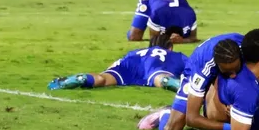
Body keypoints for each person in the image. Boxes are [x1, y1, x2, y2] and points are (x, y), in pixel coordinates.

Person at [48, 32, 186, 91]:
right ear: (170, 47)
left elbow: (113, 66)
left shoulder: (136, 52)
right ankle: (170, 82)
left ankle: (79, 79)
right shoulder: (175, 55)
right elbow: (194, 68)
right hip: (156, 67)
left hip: (131, 63)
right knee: (160, 78)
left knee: (103, 78)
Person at [128, 0, 198, 44]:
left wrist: (182, 40)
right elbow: (154, 40)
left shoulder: (190, 15)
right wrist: (169, 40)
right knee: (134, 37)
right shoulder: (157, 14)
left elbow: (193, 38)